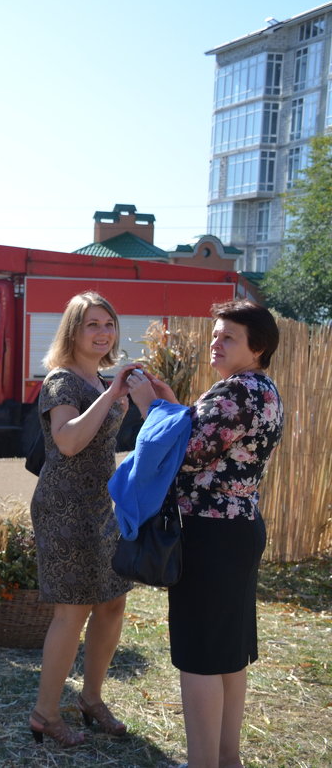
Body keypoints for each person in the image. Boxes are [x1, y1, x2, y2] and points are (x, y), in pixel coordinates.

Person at [126, 300, 282, 768]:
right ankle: (225, 759)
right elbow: (208, 444)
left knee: (198, 658)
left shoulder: (235, 392)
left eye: (229, 336)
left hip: (210, 535)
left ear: (258, 346)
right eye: (216, 334)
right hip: (237, 530)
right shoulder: (264, 390)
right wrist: (175, 405)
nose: (217, 341)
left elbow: (182, 455)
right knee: (228, 655)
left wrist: (150, 408)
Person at [27, 292, 148, 746]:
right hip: (63, 505)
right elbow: (68, 442)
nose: (102, 333)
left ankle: (92, 699)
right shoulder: (62, 381)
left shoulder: (100, 380)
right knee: (72, 611)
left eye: (109, 324)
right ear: (73, 332)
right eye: (92, 325)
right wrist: (113, 393)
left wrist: (142, 394)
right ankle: (44, 713)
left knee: (113, 602)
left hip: (100, 503)